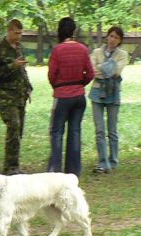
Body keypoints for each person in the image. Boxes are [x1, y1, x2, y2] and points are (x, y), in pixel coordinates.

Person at [47, 17, 94, 177]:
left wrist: (58, 86)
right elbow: (91, 73)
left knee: (57, 132)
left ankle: (55, 170)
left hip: (62, 96)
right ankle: (73, 171)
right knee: (75, 131)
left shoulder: (58, 50)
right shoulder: (83, 49)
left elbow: (52, 75)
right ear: (74, 31)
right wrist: (80, 84)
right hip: (79, 96)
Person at [0, 19, 32, 175]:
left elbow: (22, 70)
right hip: (6, 95)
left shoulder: (19, 48)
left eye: (21, 33)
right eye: (16, 33)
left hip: (20, 96)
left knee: (18, 130)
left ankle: (14, 164)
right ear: (9, 31)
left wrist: (28, 86)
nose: (19, 36)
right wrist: (12, 65)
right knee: (13, 125)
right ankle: (10, 167)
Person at [89, 26, 128, 174]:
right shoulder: (96, 52)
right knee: (99, 130)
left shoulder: (123, 54)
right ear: (107, 36)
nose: (112, 39)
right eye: (111, 36)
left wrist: (102, 68)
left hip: (113, 93)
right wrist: (107, 69)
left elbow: (116, 71)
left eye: (116, 37)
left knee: (112, 130)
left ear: (120, 41)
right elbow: (92, 71)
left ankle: (113, 161)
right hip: (97, 93)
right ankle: (102, 162)